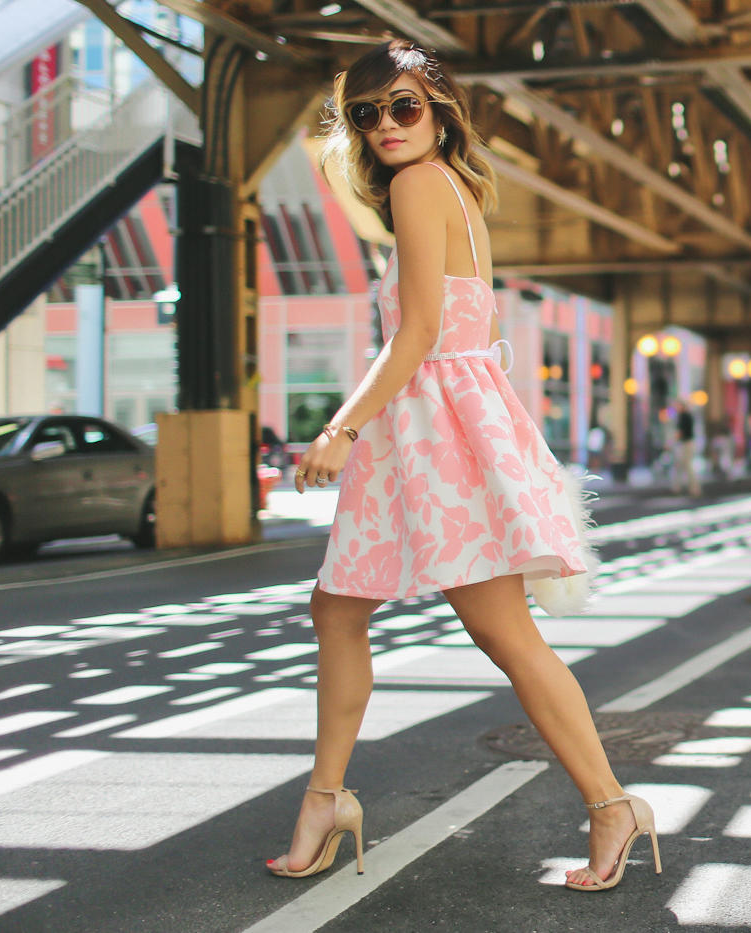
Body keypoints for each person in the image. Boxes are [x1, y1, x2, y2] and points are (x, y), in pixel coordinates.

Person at [267, 41, 659, 892]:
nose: (385, 128)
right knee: (337, 607)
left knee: (502, 632)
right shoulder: (450, 187)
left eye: (404, 107)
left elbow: (415, 336)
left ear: (439, 108)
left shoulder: (418, 186)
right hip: (437, 424)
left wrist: (340, 426)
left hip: (434, 430)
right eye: (366, 115)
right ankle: (325, 798)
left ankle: (609, 803)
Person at [671, 400, 700, 496]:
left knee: (685, 465)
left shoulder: (683, 416)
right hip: (688, 443)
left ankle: (692, 488)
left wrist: (671, 441)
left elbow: (680, 432)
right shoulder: (687, 416)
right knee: (682, 465)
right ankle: (680, 487)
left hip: (685, 443)